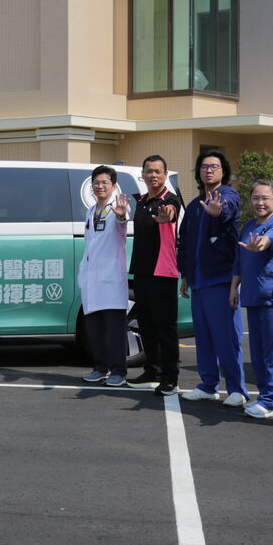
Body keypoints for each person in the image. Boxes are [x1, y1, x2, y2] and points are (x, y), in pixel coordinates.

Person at [178, 150, 249, 406]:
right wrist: (186, 274)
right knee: (204, 337)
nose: (208, 170)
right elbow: (185, 241)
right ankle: (208, 385)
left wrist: (218, 212)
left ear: (223, 171)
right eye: (204, 166)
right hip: (198, 280)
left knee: (226, 336)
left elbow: (227, 209)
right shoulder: (195, 205)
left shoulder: (227, 195)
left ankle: (237, 389)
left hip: (220, 279)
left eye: (214, 166)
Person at [229, 180, 273, 418]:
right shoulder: (248, 226)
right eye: (256, 198)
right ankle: (265, 396)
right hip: (252, 297)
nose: (260, 202)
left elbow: (271, 239)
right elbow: (239, 261)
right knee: (258, 352)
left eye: (265, 198)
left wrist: (261, 244)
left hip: (271, 299)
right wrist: (234, 288)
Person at [128, 155, 183, 395]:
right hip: (142, 272)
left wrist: (167, 216)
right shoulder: (141, 201)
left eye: (158, 171)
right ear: (143, 174)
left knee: (165, 328)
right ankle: (151, 371)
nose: (153, 175)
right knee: (146, 325)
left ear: (165, 174)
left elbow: (171, 212)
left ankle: (170, 378)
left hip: (163, 273)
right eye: (149, 171)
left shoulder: (170, 199)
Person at [78, 166, 132, 387]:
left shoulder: (118, 208)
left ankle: (118, 371)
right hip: (91, 278)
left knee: (114, 329)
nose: (100, 186)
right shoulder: (91, 210)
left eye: (104, 183)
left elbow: (122, 222)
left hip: (110, 278)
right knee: (94, 329)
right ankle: (100, 368)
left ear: (113, 186)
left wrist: (121, 216)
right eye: (96, 183)